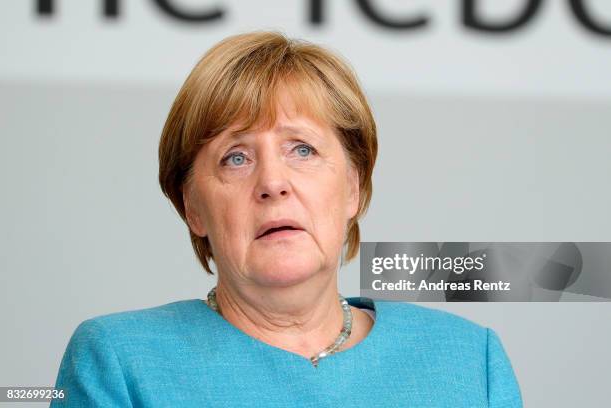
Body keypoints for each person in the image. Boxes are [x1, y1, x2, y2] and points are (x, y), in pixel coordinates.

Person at [50, 31, 523, 407]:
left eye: (303, 149)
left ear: (354, 187)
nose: (272, 183)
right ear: (192, 206)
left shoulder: (468, 360)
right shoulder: (119, 360)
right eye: (235, 157)